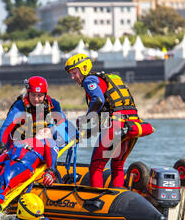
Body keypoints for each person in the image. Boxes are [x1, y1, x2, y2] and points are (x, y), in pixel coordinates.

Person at [64, 53, 154, 188]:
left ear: (83, 68)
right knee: (117, 166)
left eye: (74, 72)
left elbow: (98, 100)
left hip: (116, 126)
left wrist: (86, 118)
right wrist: (89, 130)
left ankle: (96, 201)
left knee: (96, 167)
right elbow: (108, 110)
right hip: (132, 125)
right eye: (70, 74)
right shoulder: (105, 79)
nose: (72, 77)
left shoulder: (89, 81)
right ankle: (116, 195)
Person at [0, 76, 67, 155]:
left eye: (39, 95)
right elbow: (5, 128)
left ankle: (50, 161)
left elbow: (63, 124)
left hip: (40, 143)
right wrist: (1, 146)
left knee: (50, 131)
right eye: (33, 95)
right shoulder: (19, 106)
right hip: (18, 145)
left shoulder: (53, 104)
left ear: (45, 95)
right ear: (28, 93)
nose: (36, 99)